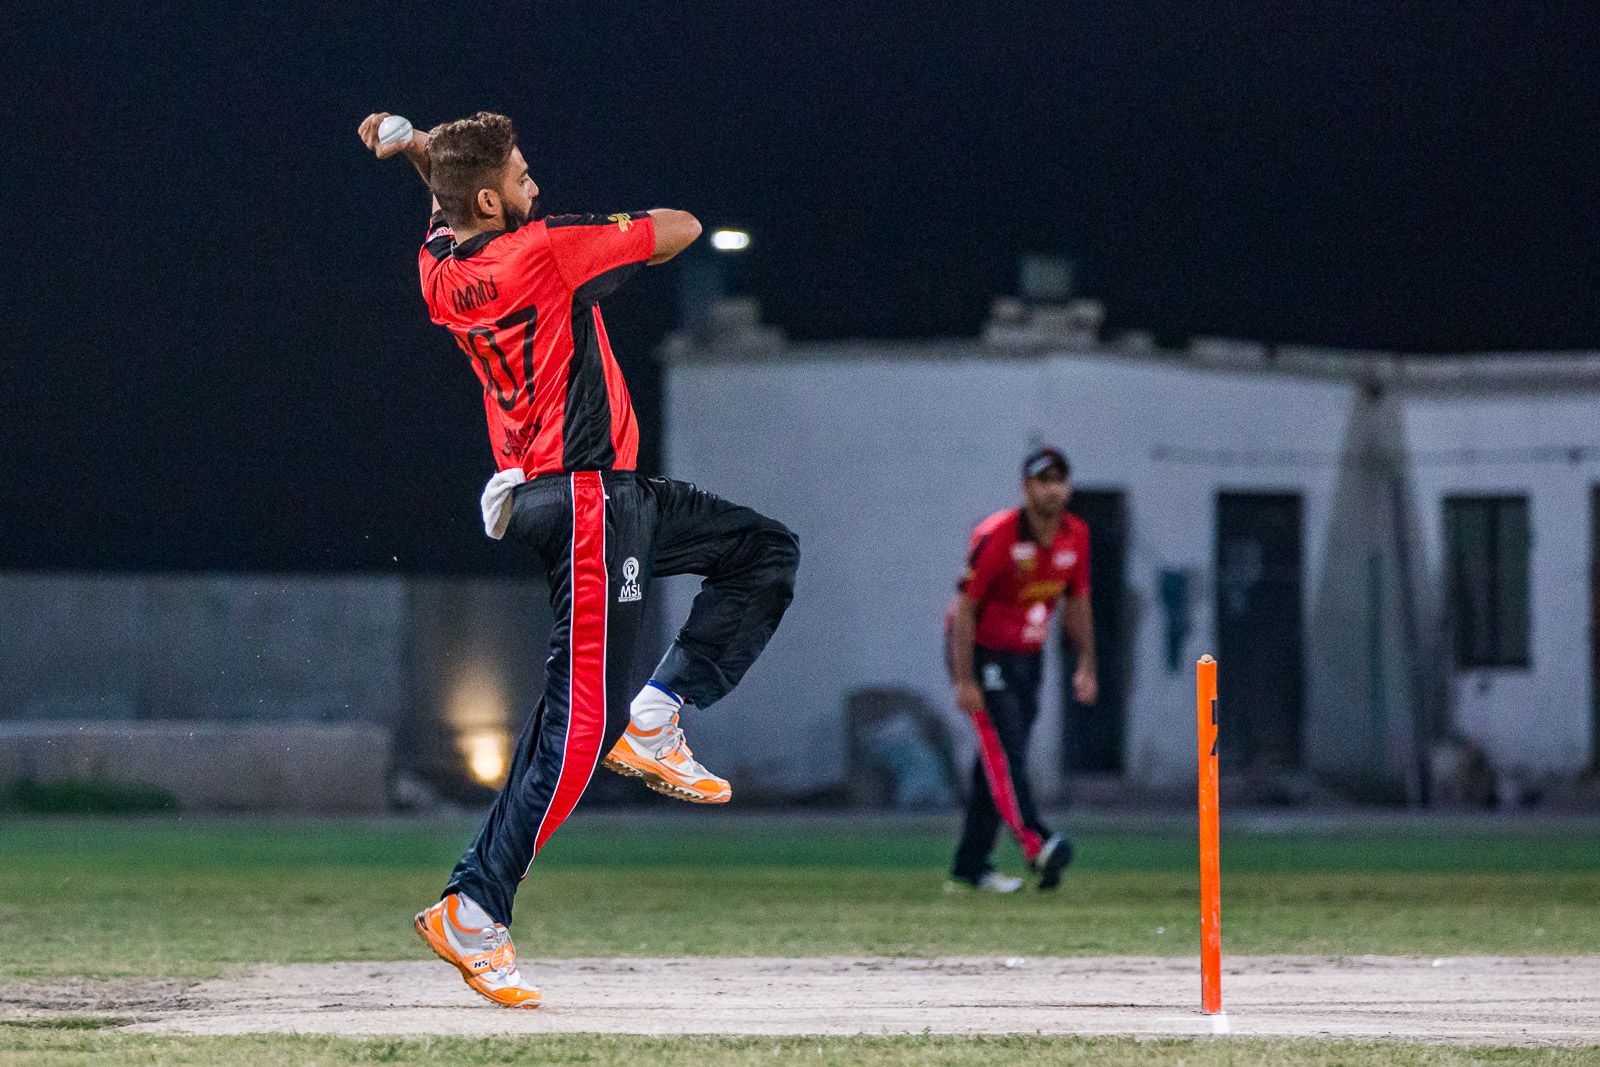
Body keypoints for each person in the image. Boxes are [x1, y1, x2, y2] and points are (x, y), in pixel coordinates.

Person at [358, 111, 799, 1007]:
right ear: (492, 199)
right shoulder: (544, 251)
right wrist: (583, 236)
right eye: (522, 175)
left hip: (581, 492)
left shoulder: (440, 269)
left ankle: (659, 713)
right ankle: (475, 908)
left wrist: (413, 150)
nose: (536, 184)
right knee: (581, 728)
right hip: (589, 496)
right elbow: (678, 228)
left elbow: (448, 203)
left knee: (761, 549)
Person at [945, 446, 1096, 892]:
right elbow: (964, 609)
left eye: (1059, 480)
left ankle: (971, 863)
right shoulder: (999, 535)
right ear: (1026, 487)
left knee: (996, 761)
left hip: (1028, 656)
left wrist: (1086, 663)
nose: (1053, 490)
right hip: (983, 653)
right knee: (1006, 751)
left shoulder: (1076, 535)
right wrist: (965, 678)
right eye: (1043, 481)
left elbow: (1078, 601)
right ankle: (1038, 844)